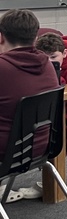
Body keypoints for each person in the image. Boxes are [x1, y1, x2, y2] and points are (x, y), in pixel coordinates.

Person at [0, 9, 60, 155]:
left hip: (7, 152)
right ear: (35, 38)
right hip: (39, 147)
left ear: (1, 38)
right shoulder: (47, 64)